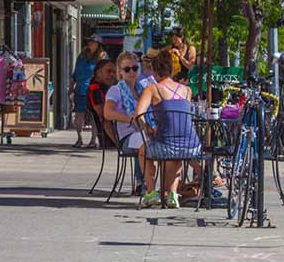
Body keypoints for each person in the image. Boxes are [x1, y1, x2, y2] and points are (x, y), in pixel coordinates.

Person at [133, 49, 202, 209]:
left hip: (167, 146)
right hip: (192, 146)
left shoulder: (153, 89)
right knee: (176, 150)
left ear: (154, 72)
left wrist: (148, 128)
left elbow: (138, 114)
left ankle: (151, 192)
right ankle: (172, 194)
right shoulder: (187, 90)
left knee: (143, 151)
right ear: (172, 70)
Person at [103, 51, 155, 196]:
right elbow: (107, 113)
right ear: (120, 72)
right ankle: (142, 183)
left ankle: (172, 187)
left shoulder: (142, 90)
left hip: (144, 132)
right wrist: (130, 119)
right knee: (144, 142)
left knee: (170, 139)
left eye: (135, 68)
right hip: (127, 137)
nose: (132, 72)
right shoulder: (116, 90)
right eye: (127, 69)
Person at [71, 34, 105, 147]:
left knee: (93, 116)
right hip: (80, 89)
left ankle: (93, 140)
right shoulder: (81, 56)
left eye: (93, 42)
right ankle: (79, 139)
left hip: (93, 90)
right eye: (89, 42)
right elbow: (75, 73)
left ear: (98, 44)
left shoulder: (102, 58)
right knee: (78, 115)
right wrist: (71, 87)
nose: (90, 44)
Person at [86, 58, 118, 145]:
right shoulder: (95, 89)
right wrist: (118, 143)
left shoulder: (109, 88)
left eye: (114, 72)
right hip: (110, 138)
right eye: (108, 71)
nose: (112, 74)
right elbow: (104, 117)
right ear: (98, 73)